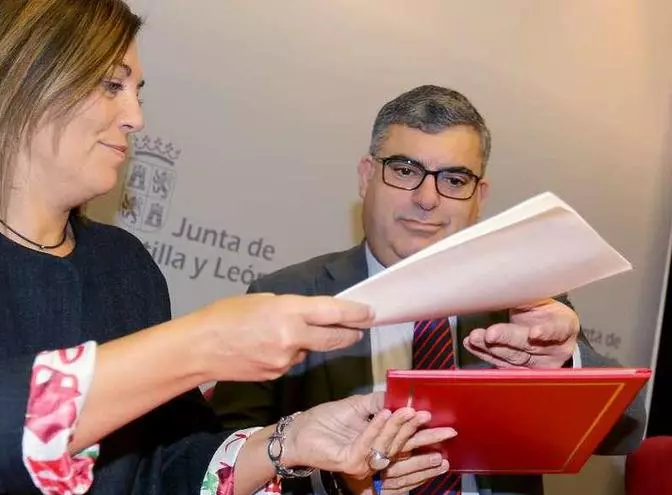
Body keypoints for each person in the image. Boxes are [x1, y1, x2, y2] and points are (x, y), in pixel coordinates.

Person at [0, 3, 457, 494]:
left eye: (136, 92)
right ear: (17, 80)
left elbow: (167, 469)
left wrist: (291, 440)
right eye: (111, 85)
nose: (136, 117)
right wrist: (196, 344)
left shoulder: (123, 266)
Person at [210, 85, 647, 495]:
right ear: (366, 177)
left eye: (454, 180)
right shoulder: (286, 297)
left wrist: (562, 365)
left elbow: (626, 429)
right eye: (405, 171)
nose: (427, 198)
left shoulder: (523, 301)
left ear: (479, 197)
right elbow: (220, 465)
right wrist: (338, 480)